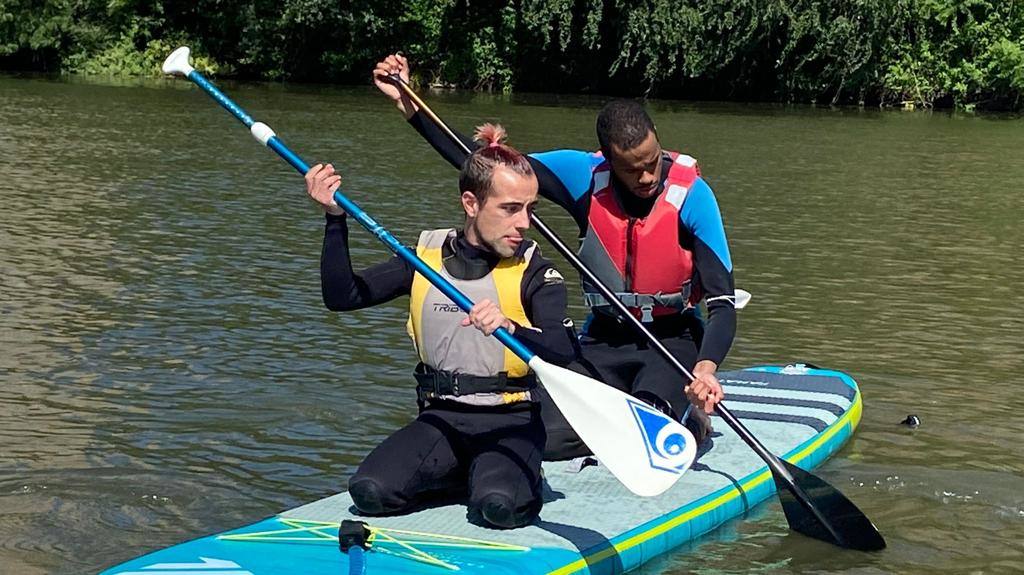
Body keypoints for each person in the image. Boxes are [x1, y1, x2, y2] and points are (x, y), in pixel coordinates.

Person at [373, 55, 736, 460]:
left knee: (646, 437)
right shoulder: (582, 174)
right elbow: (483, 168)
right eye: (633, 170)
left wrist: (705, 367)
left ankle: (689, 417)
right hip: (603, 338)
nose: (647, 178)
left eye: (652, 164)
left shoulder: (693, 197)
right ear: (608, 159)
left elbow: (722, 302)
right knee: (543, 437)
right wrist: (409, 103)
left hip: (673, 341)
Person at [305, 124, 577, 528]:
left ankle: (512, 476)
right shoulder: (424, 259)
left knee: (497, 509)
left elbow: (565, 347)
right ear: (471, 203)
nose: (524, 223)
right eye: (510, 208)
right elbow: (342, 296)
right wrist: (334, 220)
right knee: (369, 492)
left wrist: (511, 326)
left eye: (530, 209)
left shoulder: (534, 270)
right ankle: (460, 474)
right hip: (440, 420)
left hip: (512, 425)